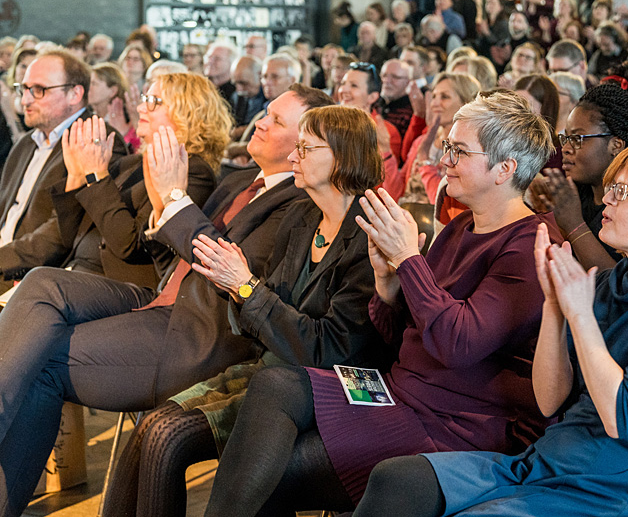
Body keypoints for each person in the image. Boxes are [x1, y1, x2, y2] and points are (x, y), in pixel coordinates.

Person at [200, 92, 559, 516]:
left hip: (451, 423)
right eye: (447, 147)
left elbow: (457, 343)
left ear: (505, 169)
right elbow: (407, 335)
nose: (444, 160)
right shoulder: (463, 225)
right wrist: (388, 286)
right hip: (398, 393)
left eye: (459, 151)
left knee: (274, 472)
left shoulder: (530, 244)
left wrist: (409, 260)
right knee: (276, 385)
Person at [348, 137, 628, 517]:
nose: (606, 199)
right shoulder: (610, 283)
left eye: (624, 192)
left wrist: (581, 315)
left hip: (613, 495)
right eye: (611, 189)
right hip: (546, 463)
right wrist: (555, 307)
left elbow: (621, 416)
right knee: (399, 478)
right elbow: (549, 400)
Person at [0, 85, 331, 516]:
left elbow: (229, 273)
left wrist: (173, 200)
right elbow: (162, 262)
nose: (260, 122)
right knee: (43, 283)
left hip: (202, 331)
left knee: (40, 360)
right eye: (264, 112)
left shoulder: (299, 202)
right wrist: (161, 206)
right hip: (162, 297)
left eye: (276, 120)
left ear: (304, 146)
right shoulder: (237, 181)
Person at [103, 105, 396, 517]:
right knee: (152, 430)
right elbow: (259, 316)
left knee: (167, 438)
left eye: (306, 148)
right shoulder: (301, 216)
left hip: (337, 386)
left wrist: (245, 286)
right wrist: (238, 286)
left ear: (342, 158)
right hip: (272, 368)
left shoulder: (371, 233)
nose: (293, 157)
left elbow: (328, 349)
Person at [51, 72, 227, 288]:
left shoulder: (195, 173)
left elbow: (130, 247)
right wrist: (76, 176)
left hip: (122, 288)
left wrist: (97, 175)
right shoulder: (131, 163)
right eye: (144, 100)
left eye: (153, 102)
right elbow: (70, 237)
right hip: (74, 271)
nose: (141, 108)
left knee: (38, 284)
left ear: (187, 113)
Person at [0, 49, 128, 291]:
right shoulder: (27, 143)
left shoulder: (96, 140)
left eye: (38, 90)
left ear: (75, 94)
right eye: (24, 89)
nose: (25, 100)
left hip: (34, 275)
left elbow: (63, 234)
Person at [528, 83, 628, 271]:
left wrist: (573, 225)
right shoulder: (577, 193)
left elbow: (618, 285)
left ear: (616, 145)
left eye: (578, 139)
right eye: (566, 138)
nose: (567, 148)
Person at [382, 72, 480, 204]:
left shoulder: (468, 150)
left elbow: (445, 206)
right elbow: (395, 193)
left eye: (444, 97)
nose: (435, 103)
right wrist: (386, 151)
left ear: (466, 103)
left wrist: (424, 161)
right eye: (434, 96)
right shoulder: (421, 142)